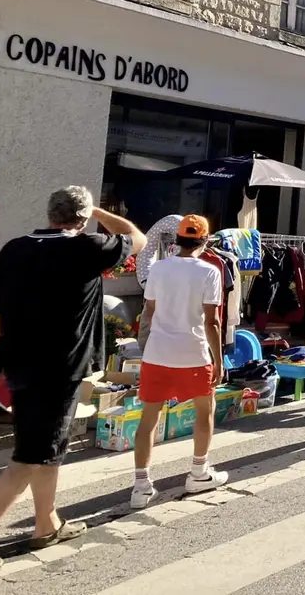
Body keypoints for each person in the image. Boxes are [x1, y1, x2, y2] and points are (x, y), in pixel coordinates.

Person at [0, 188, 146, 561]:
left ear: (49, 214)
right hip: (57, 370)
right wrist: (98, 212)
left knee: (46, 449)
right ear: (81, 218)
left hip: (18, 363)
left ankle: (46, 524)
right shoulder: (87, 247)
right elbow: (138, 238)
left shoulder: (14, 248)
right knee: (28, 457)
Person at [130, 215, 227, 509]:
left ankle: (140, 486)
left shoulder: (158, 268)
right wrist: (219, 360)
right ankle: (198, 472)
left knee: (148, 420)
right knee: (204, 412)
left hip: (158, 353)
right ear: (205, 240)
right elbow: (212, 322)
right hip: (193, 352)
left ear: (177, 240)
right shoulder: (210, 272)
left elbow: (149, 310)